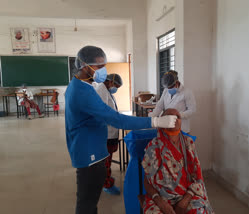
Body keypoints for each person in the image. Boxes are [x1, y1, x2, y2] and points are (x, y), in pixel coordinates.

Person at [64, 46, 178, 214]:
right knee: (87, 203)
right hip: (89, 155)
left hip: (91, 149)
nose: (102, 70)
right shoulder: (82, 92)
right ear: (83, 65)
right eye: (97, 66)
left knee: (89, 200)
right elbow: (116, 119)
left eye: (103, 65)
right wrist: (155, 121)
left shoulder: (82, 85)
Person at [142, 109, 214, 214]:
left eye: (178, 117)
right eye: (170, 116)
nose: (175, 119)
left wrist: (185, 200)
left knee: (199, 211)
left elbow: (197, 176)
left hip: (186, 194)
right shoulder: (153, 146)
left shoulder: (188, 143)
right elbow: (147, 181)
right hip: (160, 197)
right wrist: (161, 202)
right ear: (163, 121)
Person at [93, 73, 123, 195]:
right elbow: (103, 113)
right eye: (115, 86)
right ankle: (106, 184)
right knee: (106, 160)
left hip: (110, 131)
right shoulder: (101, 90)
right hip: (106, 132)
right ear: (110, 82)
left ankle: (106, 179)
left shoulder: (106, 90)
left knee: (107, 159)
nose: (115, 89)